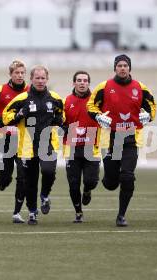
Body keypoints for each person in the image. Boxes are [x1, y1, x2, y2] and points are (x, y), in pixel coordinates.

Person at [87, 54, 156, 227]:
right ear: (115, 68)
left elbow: (152, 107)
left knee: (127, 176)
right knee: (111, 183)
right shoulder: (104, 87)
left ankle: (121, 215)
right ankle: (107, 179)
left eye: (125, 65)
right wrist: (98, 116)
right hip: (110, 138)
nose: (123, 68)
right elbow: (91, 105)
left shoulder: (140, 88)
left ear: (130, 68)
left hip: (132, 138)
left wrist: (149, 116)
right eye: (119, 66)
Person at [2, 65, 63, 225]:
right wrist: (20, 114)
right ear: (31, 79)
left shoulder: (55, 98)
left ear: (47, 79)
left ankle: (44, 195)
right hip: (27, 147)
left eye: (43, 78)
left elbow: (61, 115)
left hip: (48, 144)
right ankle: (32, 212)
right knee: (30, 181)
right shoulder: (22, 98)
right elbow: (5, 117)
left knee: (49, 171)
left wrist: (59, 122)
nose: (41, 81)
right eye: (37, 78)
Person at [0, 60, 29, 224]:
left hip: (24, 141)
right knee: (4, 177)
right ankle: (2, 179)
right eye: (17, 73)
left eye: (22, 73)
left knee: (23, 176)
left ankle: (17, 212)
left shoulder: (31, 91)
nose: (20, 75)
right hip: (4, 139)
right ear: (10, 74)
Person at [63, 71, 101, 223]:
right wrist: (62, 127)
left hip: (91, 146)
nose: (82, 83)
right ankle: (78, 212)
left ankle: (87, 190)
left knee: (91, 180)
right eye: (79, 80)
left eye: (85, 80)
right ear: (73, 83)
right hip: (72, 147)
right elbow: (61, 120)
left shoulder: (96, 101)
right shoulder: (67, 101)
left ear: (88, 83)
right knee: (73, 183)